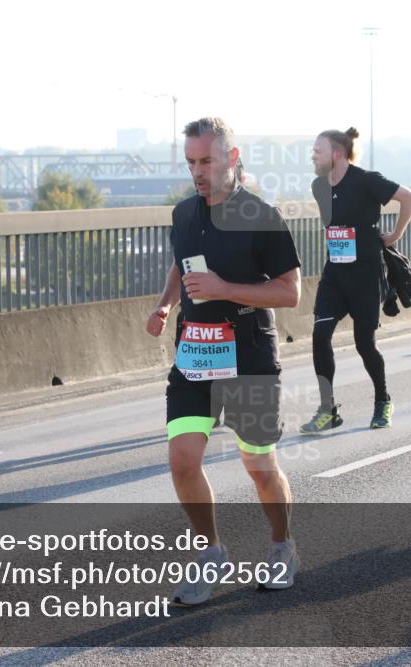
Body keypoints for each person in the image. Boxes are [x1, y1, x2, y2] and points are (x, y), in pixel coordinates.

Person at [145, 117, 303, 605]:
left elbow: (290, 291)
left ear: (231, 159)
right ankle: (211, 554)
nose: (198, 171)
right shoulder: (183, 214)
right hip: (195, 353)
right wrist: (166, 302)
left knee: (259, 466)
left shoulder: (262, 215)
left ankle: (282, 547)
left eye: (206, 161)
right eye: (191, 162)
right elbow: (181, 260)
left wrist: (223, 289)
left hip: (250, 355)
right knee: (182, 460)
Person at [299, 127, 411, 434]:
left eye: (318, 150)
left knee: (365, 345)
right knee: (319, 335)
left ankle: (383, 401)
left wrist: (393, 236)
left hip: (365, 276)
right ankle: (328, 410)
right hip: (335, 276)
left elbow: (409, 198)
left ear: (337, 154)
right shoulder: (318, 186)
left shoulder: (367, 180)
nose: (313, 155)